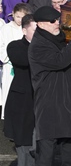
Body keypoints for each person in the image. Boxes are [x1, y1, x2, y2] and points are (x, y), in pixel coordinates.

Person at [28, 6, 71, 165]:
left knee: (70, 154)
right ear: (40, 24)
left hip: (68, 106)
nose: (57, 23)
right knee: (46, 156)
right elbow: (60, 61)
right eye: (52, 21)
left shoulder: (59, 38)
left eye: (58, 19)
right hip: (50, 107)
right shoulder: (38, 45)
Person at [3, 14, 36, 166]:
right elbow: (23, 60)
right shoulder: (15, 46)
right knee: (24, 148)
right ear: (24, 31)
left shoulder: (46, 47)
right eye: (35, 30)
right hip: (22, 105)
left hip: (41, 103)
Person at [0, 3, 32, 119]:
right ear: (13, 14)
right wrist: (8, 58)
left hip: (22, 64)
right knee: (8, 89)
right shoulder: (5, 28)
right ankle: (7, 115)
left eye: (23, 17)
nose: (20, 20)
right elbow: (1, 46)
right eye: (18, 16)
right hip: (9, 65)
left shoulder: (26, 29)